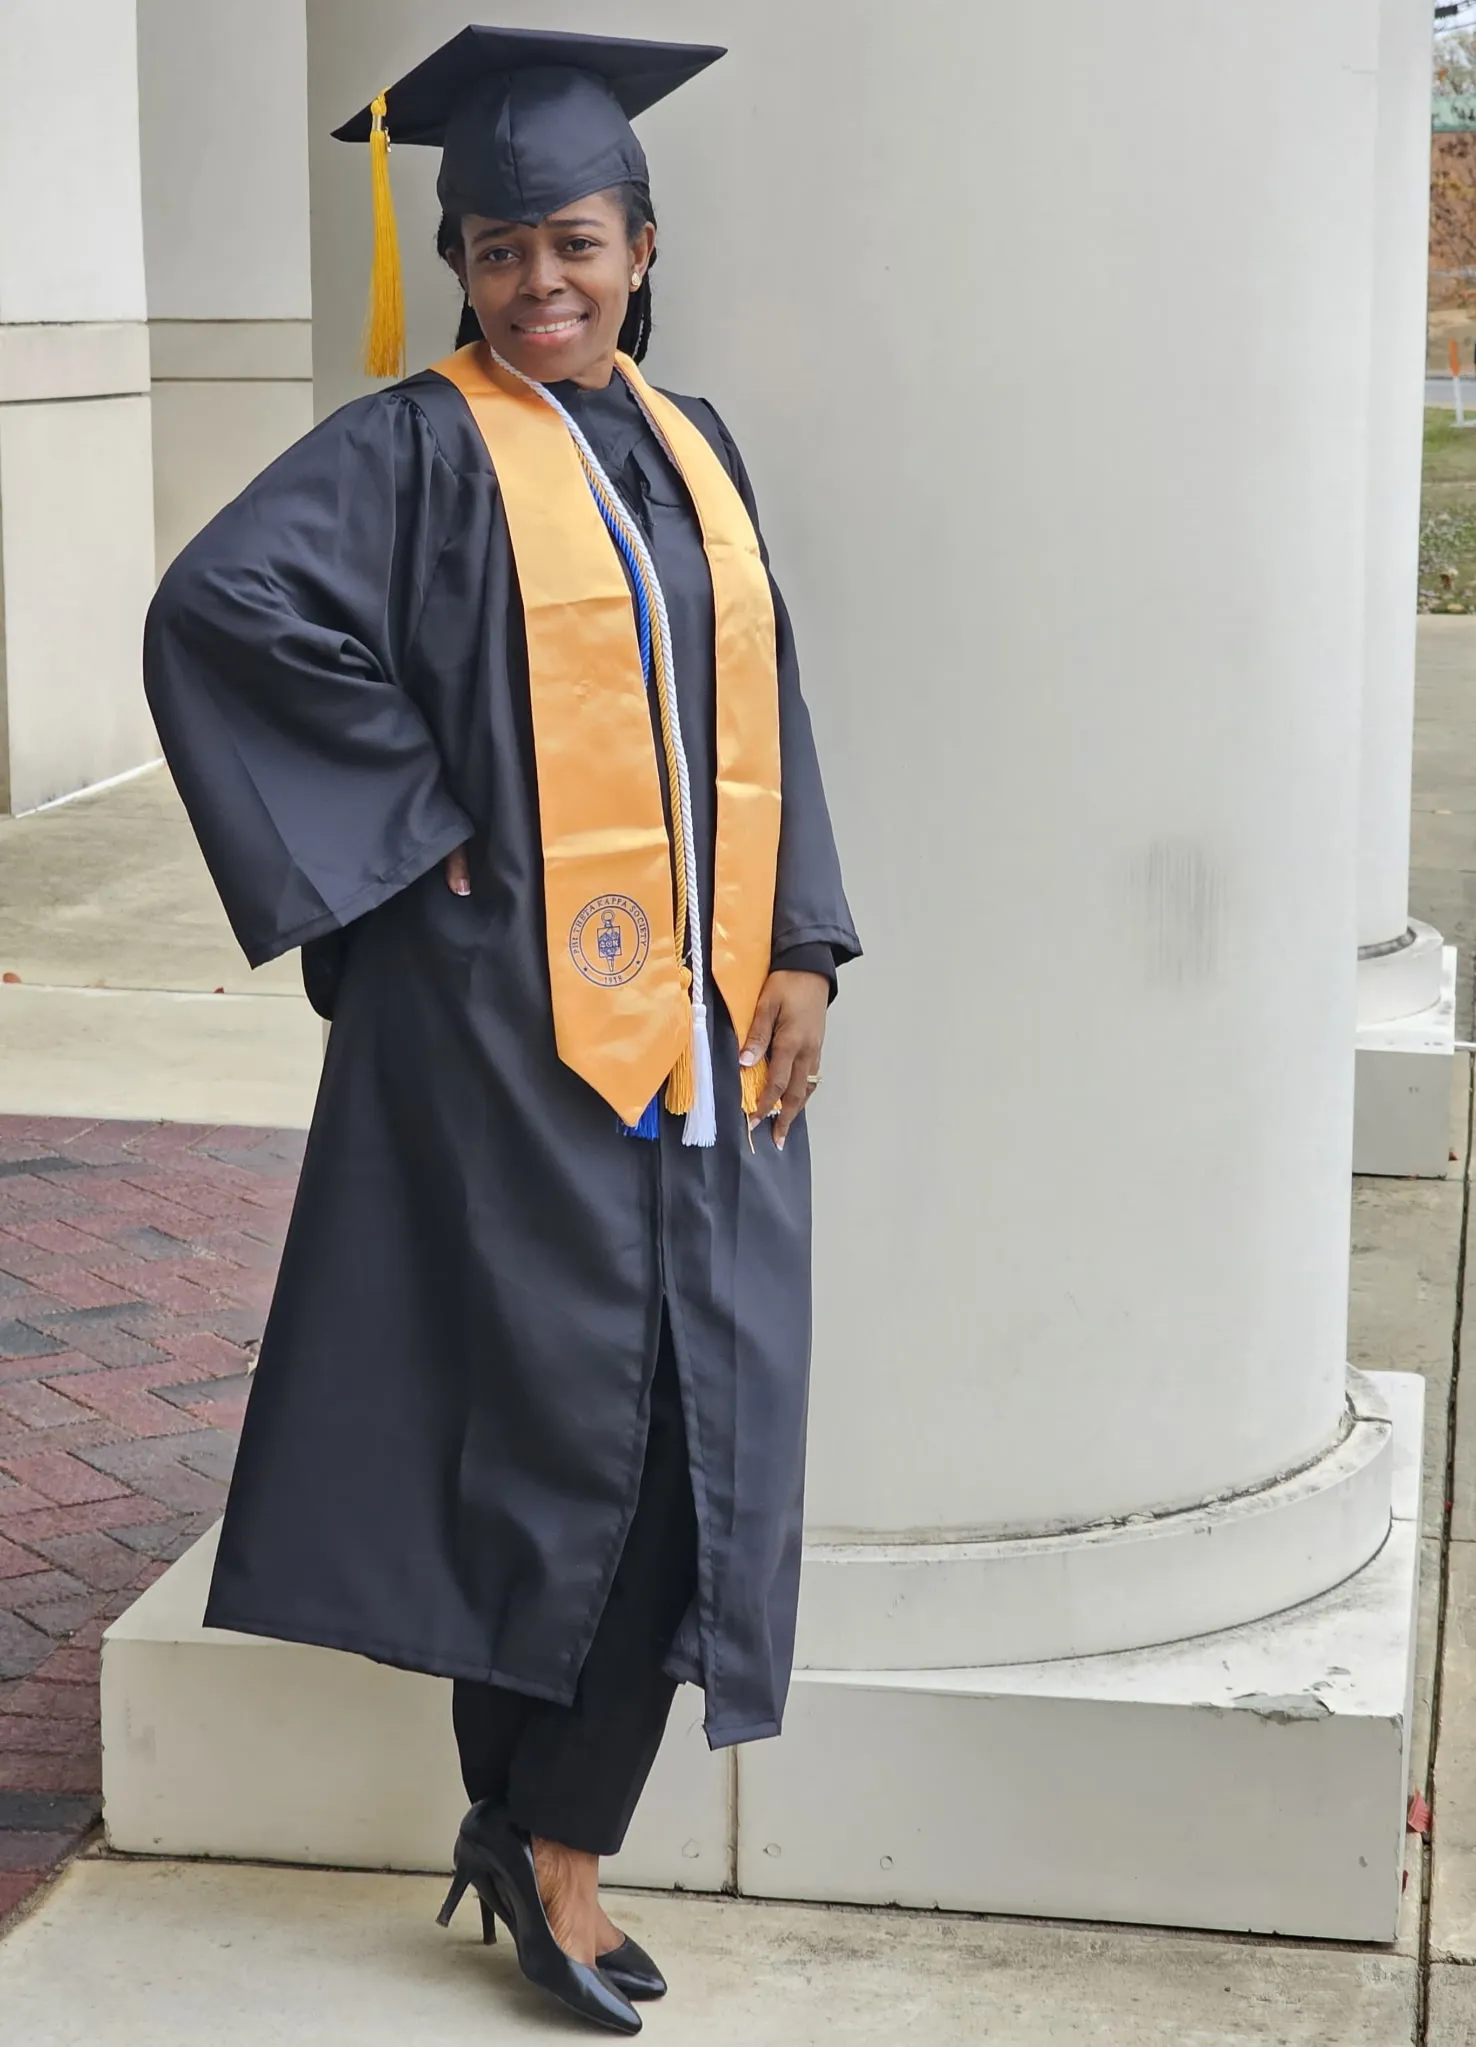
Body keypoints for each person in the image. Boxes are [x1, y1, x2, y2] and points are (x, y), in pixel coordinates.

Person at [143, 23, 859, 2036]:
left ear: (641, 239)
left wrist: (801, 939)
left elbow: (765, 708)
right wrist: (412, 832)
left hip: (703, 1035)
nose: (537, 281)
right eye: (495, 250)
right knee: (559, 1431)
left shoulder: (696, 447)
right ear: (453, 264)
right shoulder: (409, 447)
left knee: (684, 1435)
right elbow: (221, 609)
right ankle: (542, 1844)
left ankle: (537, 1828)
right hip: (502, 1037)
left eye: (573, 241)